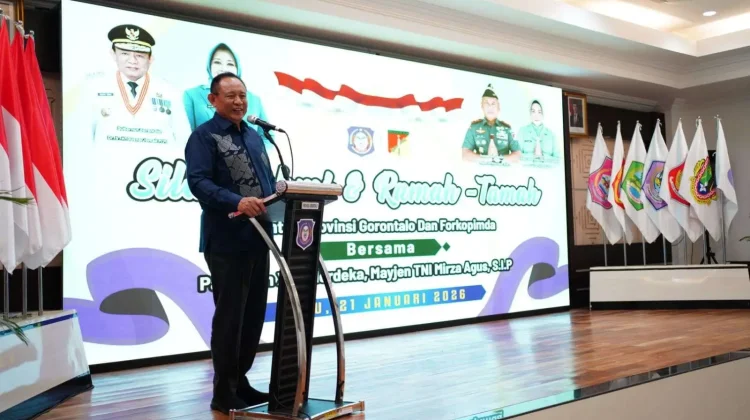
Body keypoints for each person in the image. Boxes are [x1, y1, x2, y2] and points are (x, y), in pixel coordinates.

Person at [184, 72, 276, 414]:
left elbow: (264, 182)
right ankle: (223, 392)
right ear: (213, 100)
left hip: (259, 236)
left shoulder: (254, 136)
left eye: (242, 95)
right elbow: (198, 183)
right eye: (230, 96)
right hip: (226, 239)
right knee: (231, 317)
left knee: (253, 316)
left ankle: (241, 381)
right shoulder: (203, 136)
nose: (238, 102)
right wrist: (236, 201)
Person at [83, 24, 190, 148]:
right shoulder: (95, 88)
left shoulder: (169, 91)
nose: (132, 61)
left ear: (150, 59)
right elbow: (84, 138)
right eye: (125, 53)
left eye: (139, 55)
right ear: (113, 54)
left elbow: (184, 138)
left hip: (156, 159)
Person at [183, 43, 269, 138]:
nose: (223, 68)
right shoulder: (192, 95)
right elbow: (186, 135)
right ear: (209, 65)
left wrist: (256, 147)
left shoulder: (254, 99)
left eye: (230, 64)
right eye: (217, 62)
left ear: (238, 68)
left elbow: (266, 136)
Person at [462, 84, 520, 163]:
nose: (490, 107)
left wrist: (499, 160)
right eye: (486, 103)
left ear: (498, 107)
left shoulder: (507, 129)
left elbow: (518, 154)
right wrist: (486, 160)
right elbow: (465, 154)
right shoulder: (474, 128)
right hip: (481, 170)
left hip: (503, 170)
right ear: (482, 106)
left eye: (493, 104)